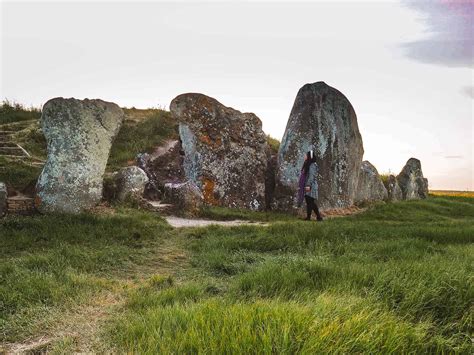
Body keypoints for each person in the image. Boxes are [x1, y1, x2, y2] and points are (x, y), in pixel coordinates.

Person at [298, 150, 323, 221]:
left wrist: (308, 185)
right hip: (307, 185)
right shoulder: (308, 164)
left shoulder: (312, 165)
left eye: (306, 155)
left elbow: (311, 176)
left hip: (311, 186)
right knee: (310, 202)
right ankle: (316, 217)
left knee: (310, 202)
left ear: (309, 156)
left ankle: (314, 217)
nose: (304, 156)